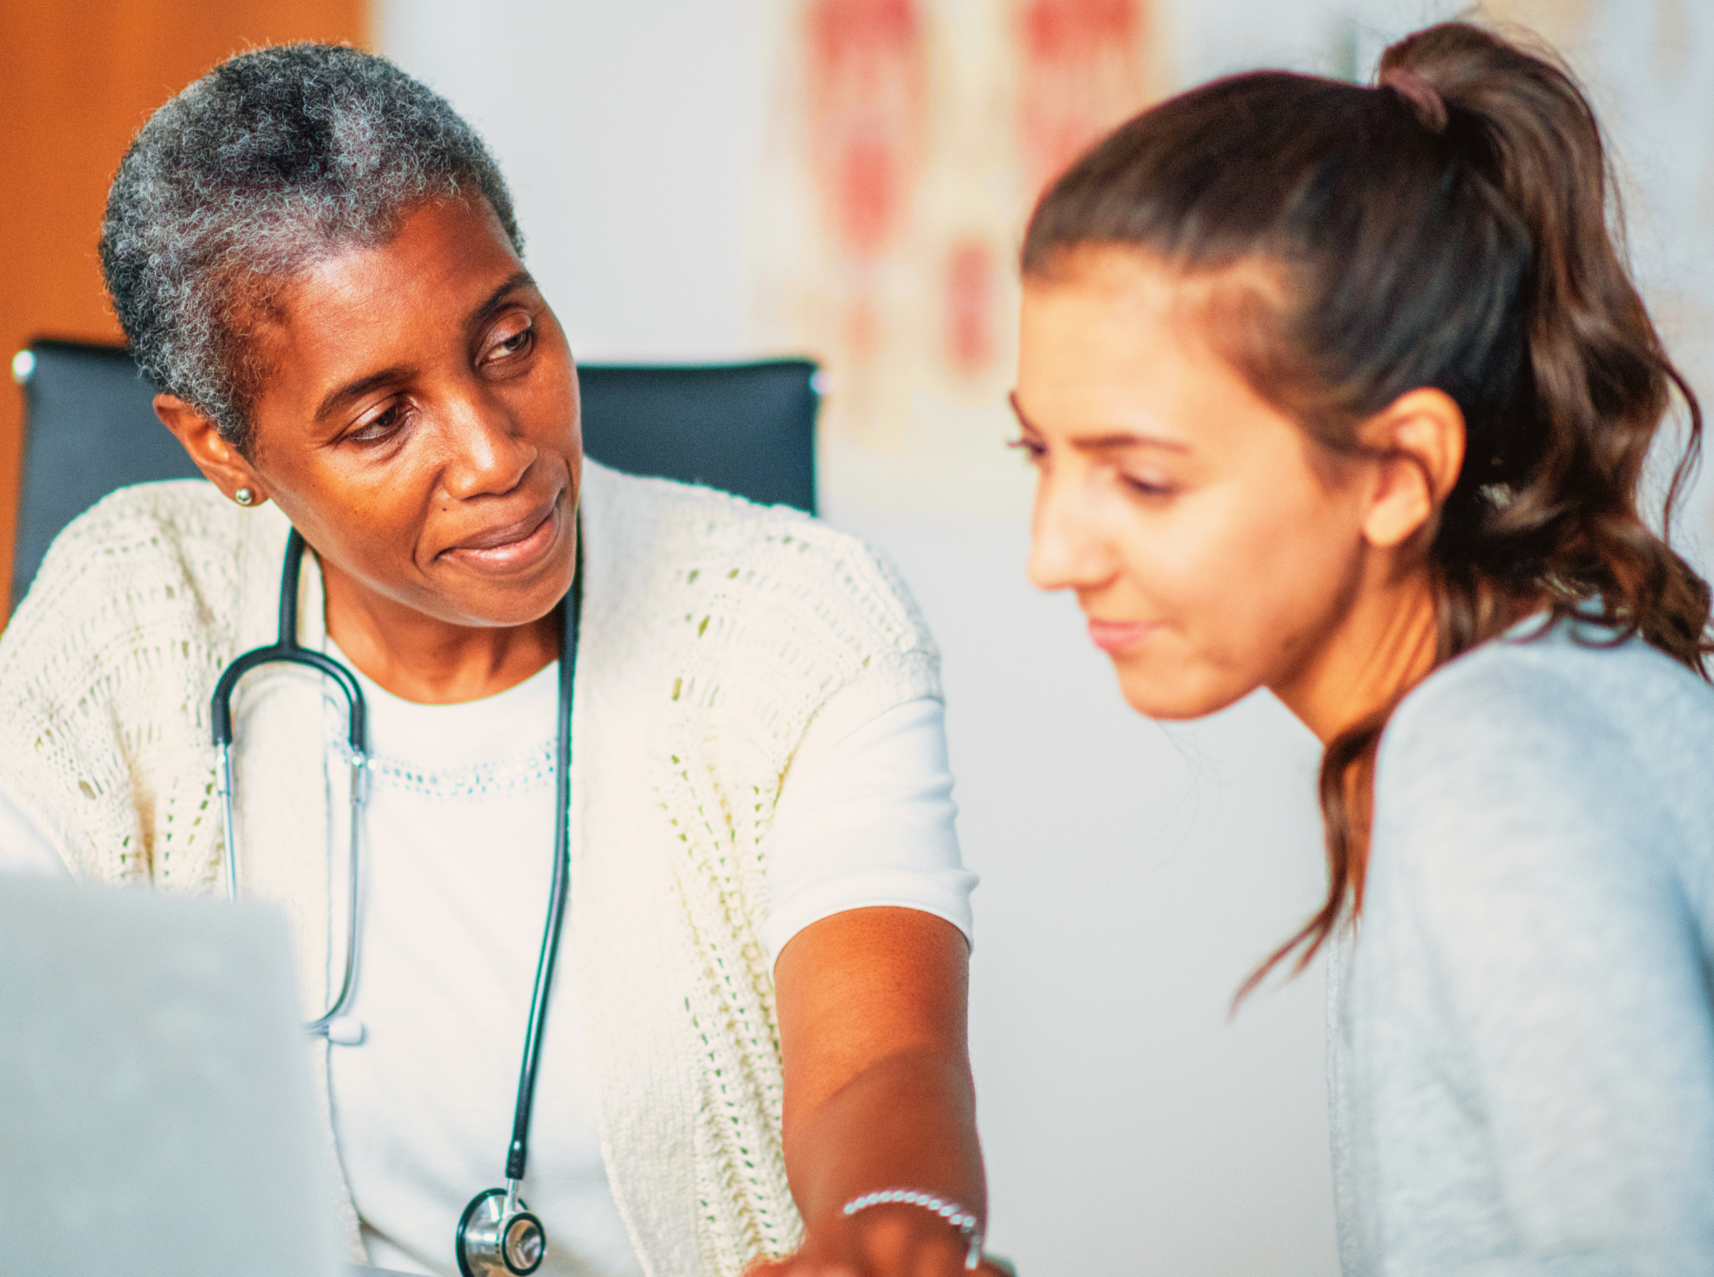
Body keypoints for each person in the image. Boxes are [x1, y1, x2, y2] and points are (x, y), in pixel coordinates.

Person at [0, 44, 1000, 1277]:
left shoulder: (796, 622)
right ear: (222, 449)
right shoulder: (126, 610)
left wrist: (879, 1228)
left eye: (510, 339)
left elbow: (884, 1061)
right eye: (380, 418)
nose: (494, 451)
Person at [1010, 21, 1714, 1277]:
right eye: (1041, 454)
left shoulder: (1491, 764)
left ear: (1398, 473)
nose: (1053, 551)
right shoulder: (1494, 710)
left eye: (1140, 477)